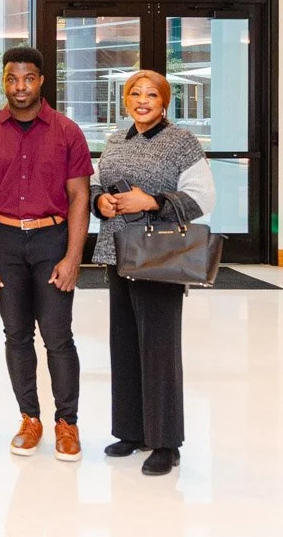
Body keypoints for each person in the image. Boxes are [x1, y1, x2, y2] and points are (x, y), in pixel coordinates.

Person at [0, 46, 93, 462]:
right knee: (16, 335)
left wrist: (73, 257)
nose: (19, 86)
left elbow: (79, 196)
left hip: (51, 241)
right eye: (12, 78)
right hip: (4, 242)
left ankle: (67, 423)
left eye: (28, 78)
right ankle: (30, 418)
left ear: (41, 81)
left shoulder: (67, 132)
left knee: (58, 336)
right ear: (4, 81)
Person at [91, 69, 215, 477]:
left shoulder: (181, 142)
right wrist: (100, 203)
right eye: (135, 94)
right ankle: (131, 431)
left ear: (164, 103)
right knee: (124, 344)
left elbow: (203, 198)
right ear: (126, 100)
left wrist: (152, 201)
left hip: (159, 258)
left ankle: (165, 442)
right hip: (119, 253)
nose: (142, 101)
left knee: (159, 351)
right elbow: (96, 185)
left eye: (151, 95)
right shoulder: (115, 141)